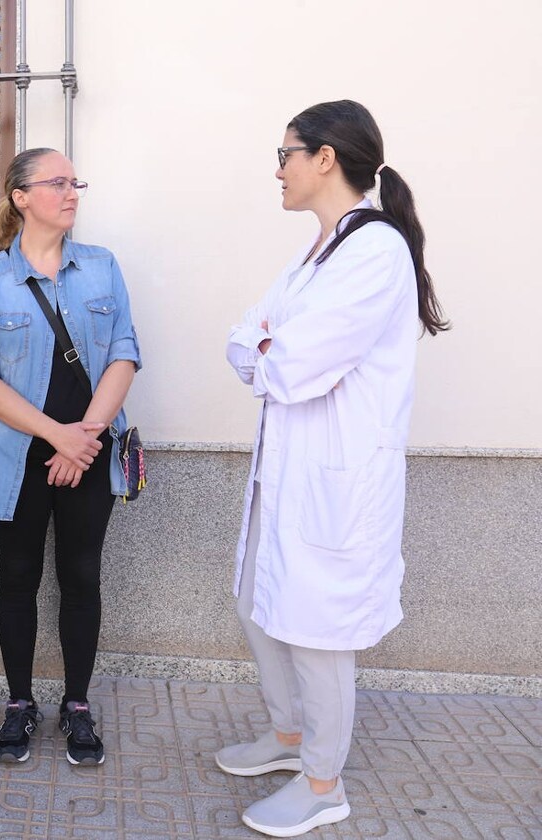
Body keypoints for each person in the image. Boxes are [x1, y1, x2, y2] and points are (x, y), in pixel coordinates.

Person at [220, 100, 448, 836]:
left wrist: (267, 349)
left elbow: (287, 365)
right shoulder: (320, 248)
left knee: (317, 633)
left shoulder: (374, 251)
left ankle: (323, 782)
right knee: (261, 604)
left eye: (284, 153)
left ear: (325, 158)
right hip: (285, 475)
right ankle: (287, 738)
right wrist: (266, 348)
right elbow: (244, 338)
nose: (277, 169)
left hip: (336, 481)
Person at [0, 148, 141, 766]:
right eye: (57, 183)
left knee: (81, 578)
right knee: (16, 580)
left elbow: (124, 352)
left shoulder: (101, 266)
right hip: (16, 460)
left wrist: (83, 437)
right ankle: (18, 701)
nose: (71, 193)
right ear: (21, 196)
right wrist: (55, 436)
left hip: (88, 454)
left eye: (74, 182)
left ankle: (78, 703)